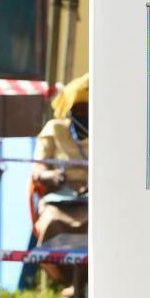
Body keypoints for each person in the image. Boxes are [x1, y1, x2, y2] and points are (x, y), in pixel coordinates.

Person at [31, 73, 89, 285]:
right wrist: (52, 176)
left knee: (99, 225)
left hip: (94, 200)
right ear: (70, 110)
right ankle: (68, 282)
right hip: (59, 197)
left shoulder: (108, 132)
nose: (85, 114)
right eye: (80, 110)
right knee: (51, 223)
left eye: (89, 109)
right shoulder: (54, 129)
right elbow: (38, 170)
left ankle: (85, 285)